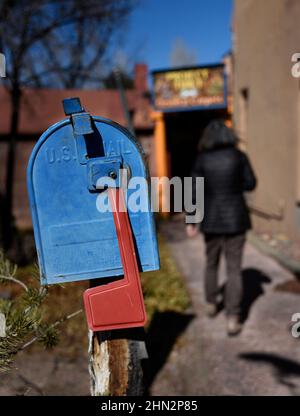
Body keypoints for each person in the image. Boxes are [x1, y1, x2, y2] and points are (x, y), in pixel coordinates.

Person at [186, 119, 257, 336]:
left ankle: (210, 303)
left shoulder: (202, 159)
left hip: (212, 220)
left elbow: (193, 190)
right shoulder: (239, 156)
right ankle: (233, 317)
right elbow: (251, 183)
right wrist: (236, 185)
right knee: (234, 268)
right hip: (236, 217)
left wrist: (191, 220)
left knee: (211, 263)